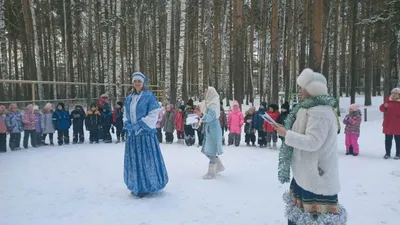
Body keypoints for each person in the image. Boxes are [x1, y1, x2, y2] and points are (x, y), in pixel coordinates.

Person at [275, 68, 347, 225]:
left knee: (312, 220)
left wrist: (287, 134)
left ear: (312, 89)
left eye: (303, 88)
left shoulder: (319, 112)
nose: (300, 91)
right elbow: (302, 134)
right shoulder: (308, 108)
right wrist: (286, 131)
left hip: (316, 178)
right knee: (300, 217)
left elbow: (313, 142)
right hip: (305, 174)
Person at [123, 72, 168, 198]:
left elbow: (154, 113)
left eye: (139, 81)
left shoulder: (149, 96)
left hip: (145, 136)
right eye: (135, 81)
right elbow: (125, 113)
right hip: (133, 137)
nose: (137, 83)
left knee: (146, 160)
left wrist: (140, 125)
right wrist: (127, 123)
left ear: (143, 83)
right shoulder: (129, 98)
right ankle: (136, 184)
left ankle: (148, 185)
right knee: (134, 160)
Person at [196, 87, 224, 179]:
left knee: (211, 150)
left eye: (206, 91)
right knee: (206, 150)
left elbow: (210, 117)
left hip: (213, 130)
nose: (204, 93)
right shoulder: (208, 102)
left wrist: (201, 114)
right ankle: (219, 166)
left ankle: (212, 172)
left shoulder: (213, 103)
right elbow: (202, 109)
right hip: (209, 129)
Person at [379, 87, 400, 159]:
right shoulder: (388, 101)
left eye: (396, 94)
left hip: (398, 125)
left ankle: (398, 154)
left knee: (398, 140)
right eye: (393, 93)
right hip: (388, 124)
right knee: (388, 140)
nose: (394, 95)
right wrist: (384, 105)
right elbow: (381, 109)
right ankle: (387, 153)